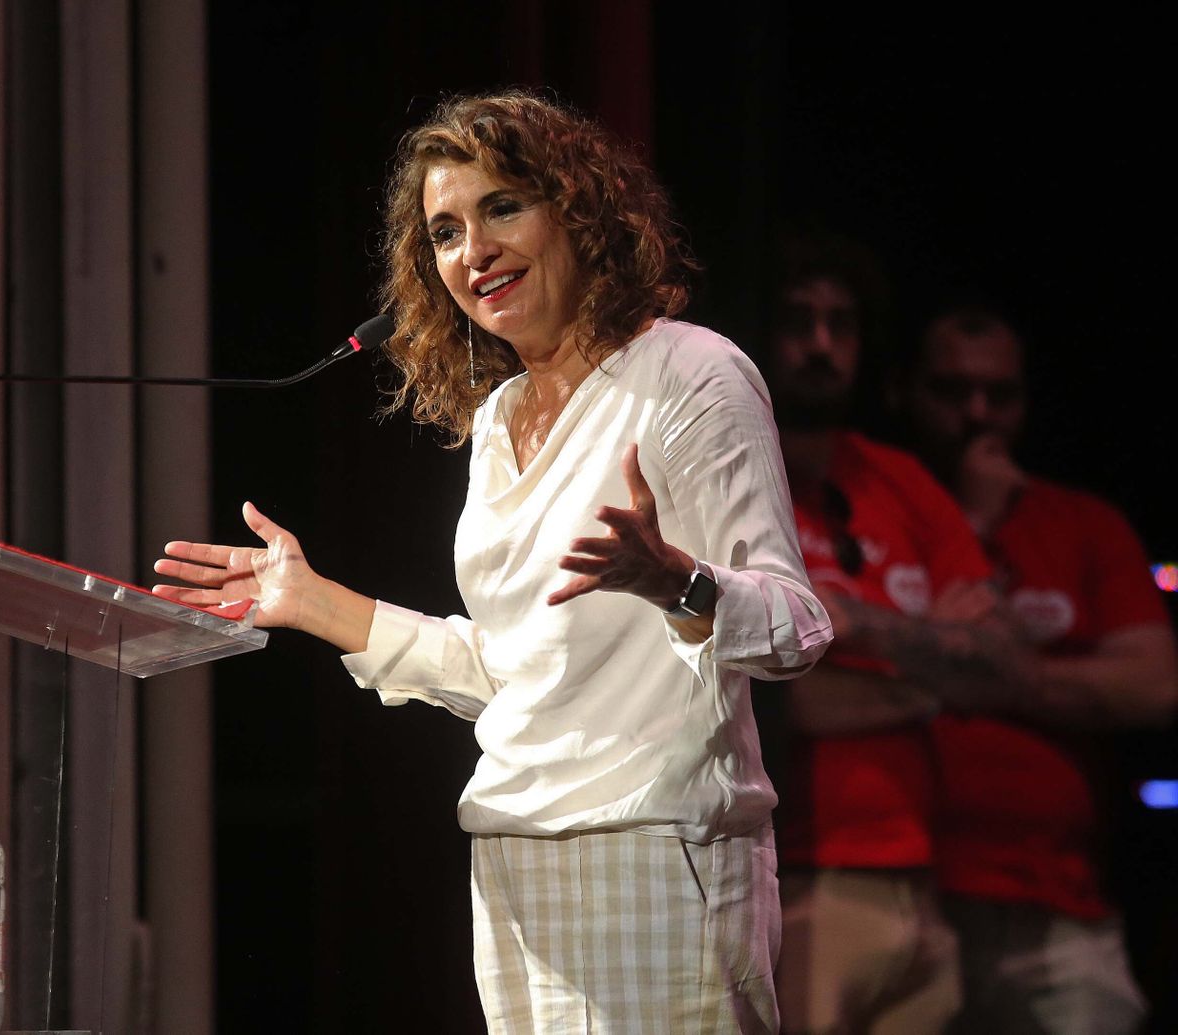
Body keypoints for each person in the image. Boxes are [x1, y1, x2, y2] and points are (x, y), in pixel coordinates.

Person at [152, 92, 832, 1033]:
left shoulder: (688, 374)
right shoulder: (500, 421)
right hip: (513, 855)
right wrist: (311, 602)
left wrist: (673, 579)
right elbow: (514, 671)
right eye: (443, 231)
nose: (473, 249)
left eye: (503, 206)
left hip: (653, 848)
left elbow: (798, 625)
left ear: (580, 213)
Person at [901, 303, 1177, 1033]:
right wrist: (976, 525)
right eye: (952, 390)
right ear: (906, 391)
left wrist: (992, 674)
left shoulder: (1084, 524)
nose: (978, 413)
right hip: (905, 893)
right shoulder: (880, 507)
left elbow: (1155, 685)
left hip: (1061, 908)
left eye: (1000, 393)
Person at [760, 236, 1006, 1034]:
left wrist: (861, 623)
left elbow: (999, 664)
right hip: (799, 874)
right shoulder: (737, 475)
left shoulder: (901, 480)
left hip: (921, 877)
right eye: (800, 321)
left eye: (842, 325)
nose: (823, 346)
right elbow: (780, 703)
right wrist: (932, 668)